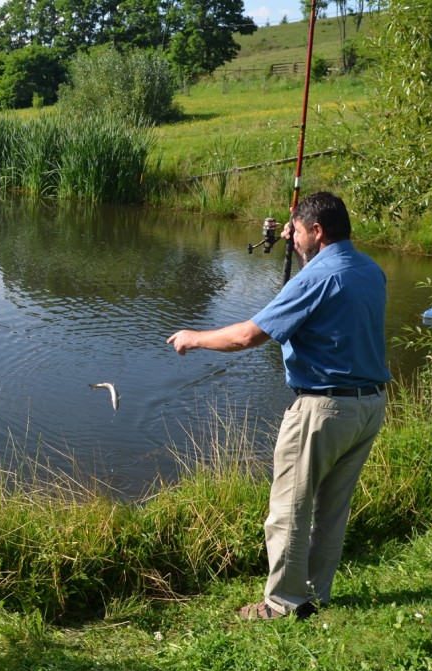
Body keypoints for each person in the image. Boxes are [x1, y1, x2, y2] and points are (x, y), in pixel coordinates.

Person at [166, 192, 390, 621]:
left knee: (288, 509)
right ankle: (315, 595)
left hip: (323, 410)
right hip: (369, 407)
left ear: (318, 231)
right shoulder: (369, 270)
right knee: (331, 510)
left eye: (299, 231)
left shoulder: (314, 280)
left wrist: (193, 337)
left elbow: (248, 336)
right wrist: (300, 243)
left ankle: (282, 605)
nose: (293, 237)